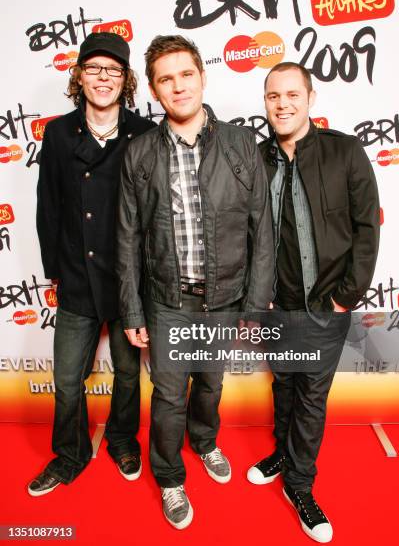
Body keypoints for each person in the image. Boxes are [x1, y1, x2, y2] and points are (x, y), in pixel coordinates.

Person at [116, 35, 274, 529]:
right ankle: (169, 478)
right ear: (154, 91)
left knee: (209, 383)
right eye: (166, 79)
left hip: (226, 298)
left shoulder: (241, 144)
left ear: (202, 78)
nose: (178, 86)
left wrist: (254, 304)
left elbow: (261, 229)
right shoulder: (139, 152)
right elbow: (126, 237)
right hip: (167, 301)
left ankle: (205, 442)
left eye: (186, 74)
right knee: (167, 397)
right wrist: (132, 310)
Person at [247, 62, 380, 543]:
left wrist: (346, 297)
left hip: (326, 306)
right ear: (265, 102)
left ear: (310, 98)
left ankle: (300, 485)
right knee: (283, 384)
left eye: (291, 95)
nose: (281, 104)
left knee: (310, 397)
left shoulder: (345, 151)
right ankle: (283, 453)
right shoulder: (255, 158)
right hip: (274, 306)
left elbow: (367, 228)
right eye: (272, 96)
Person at [29, 32, 155, 496]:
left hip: (128, 279)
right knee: (66, 379)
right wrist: (54, 270)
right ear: (79, 76)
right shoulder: (60, 132)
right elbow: (49, 205)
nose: (103, 78)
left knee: (127, 373)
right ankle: (70, 454)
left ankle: (123, 440)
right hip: (78, 276)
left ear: (125, 80)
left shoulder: (143, 133)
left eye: (113, 70)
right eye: (94, 68)